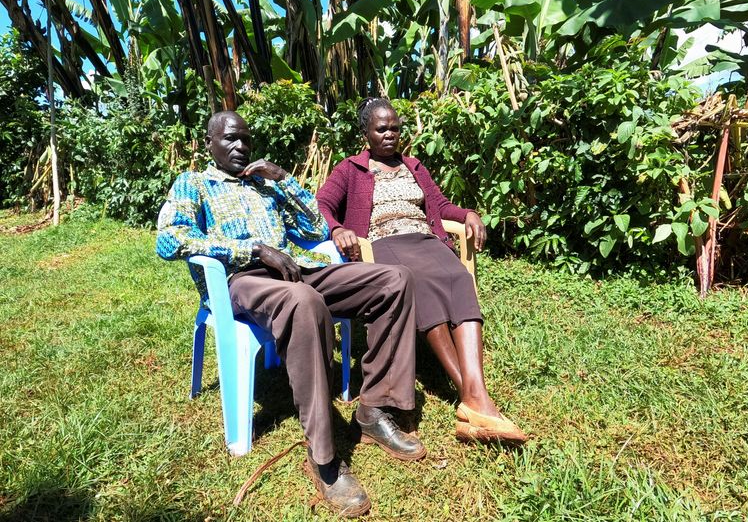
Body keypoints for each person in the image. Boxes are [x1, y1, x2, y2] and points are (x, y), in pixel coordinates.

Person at [156, 111, 426, 517]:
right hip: (244, 280)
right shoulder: (194, 183)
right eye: (229, 139)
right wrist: (253, 250)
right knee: (303, 301)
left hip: (298, 269)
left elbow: (317, 228)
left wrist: (282, 178)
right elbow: (169, 238)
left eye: (245, 139)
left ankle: (374, 408)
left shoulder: (266, 185)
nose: (240, 147)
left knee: (395, 280)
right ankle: (324, 459)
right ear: (209, 143)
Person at [316, 98, 526, 444]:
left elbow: (439, 205)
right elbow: (322, 204)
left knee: (459, 277)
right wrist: (337, 228)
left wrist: (467, 214)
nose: (390, 135)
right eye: (381, 129)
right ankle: (477, 399)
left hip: (425, 239)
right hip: (382, 244)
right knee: (424, 283)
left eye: (395, 128)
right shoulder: (350, 169)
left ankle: (474, 400)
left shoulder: (413, 166)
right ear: (366, 133)